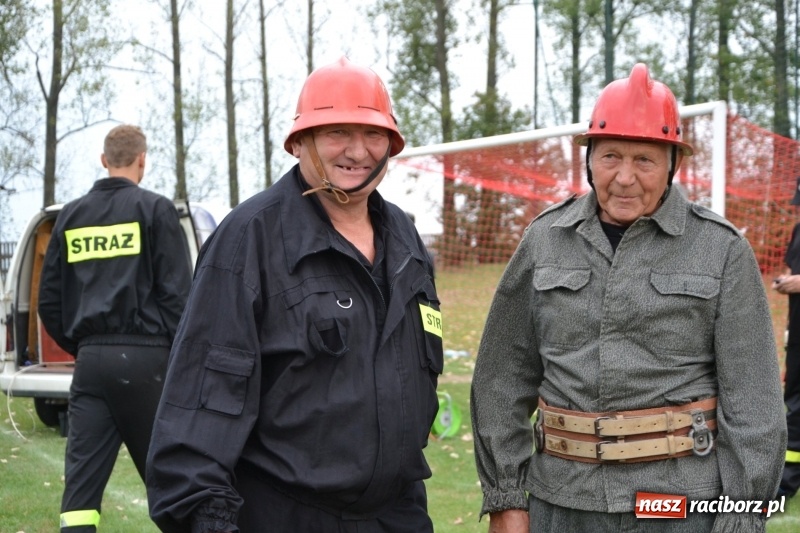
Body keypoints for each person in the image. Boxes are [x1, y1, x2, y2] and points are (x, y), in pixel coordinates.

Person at [470, 63, 786, 533]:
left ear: (672, 165)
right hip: (562, 502)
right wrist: (506, 498)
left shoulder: (722, 250)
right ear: (589, 159)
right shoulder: (544, 240)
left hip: (678, 506)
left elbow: (754, 399)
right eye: (611, 156)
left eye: (644, 160)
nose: (624, 177)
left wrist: (741, 514)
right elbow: (502, 376)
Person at [145, 56, 442, 533]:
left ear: (391, 144)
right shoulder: (248, 239)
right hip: (286, 515)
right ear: (300, 142)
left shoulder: (405, 239)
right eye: (337, 132)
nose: (358, 151)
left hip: (396, 514)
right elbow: (199, 408)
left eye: (373, 133)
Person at [38, 124, 193, 532]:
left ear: (104, 160)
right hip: (148, 361)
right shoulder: (156, 210)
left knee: (80, 495)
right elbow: (179, 297)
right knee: (172, 481)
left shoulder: (71, 216)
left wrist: (84, 346)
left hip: (91, 361)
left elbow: (48, 302)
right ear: (142, 160)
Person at [772, 177, 800, 499]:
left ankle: (786, 483)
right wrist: (787, 281)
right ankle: (785, 482)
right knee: (794, 404)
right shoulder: (798, 231)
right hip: (798, 334)